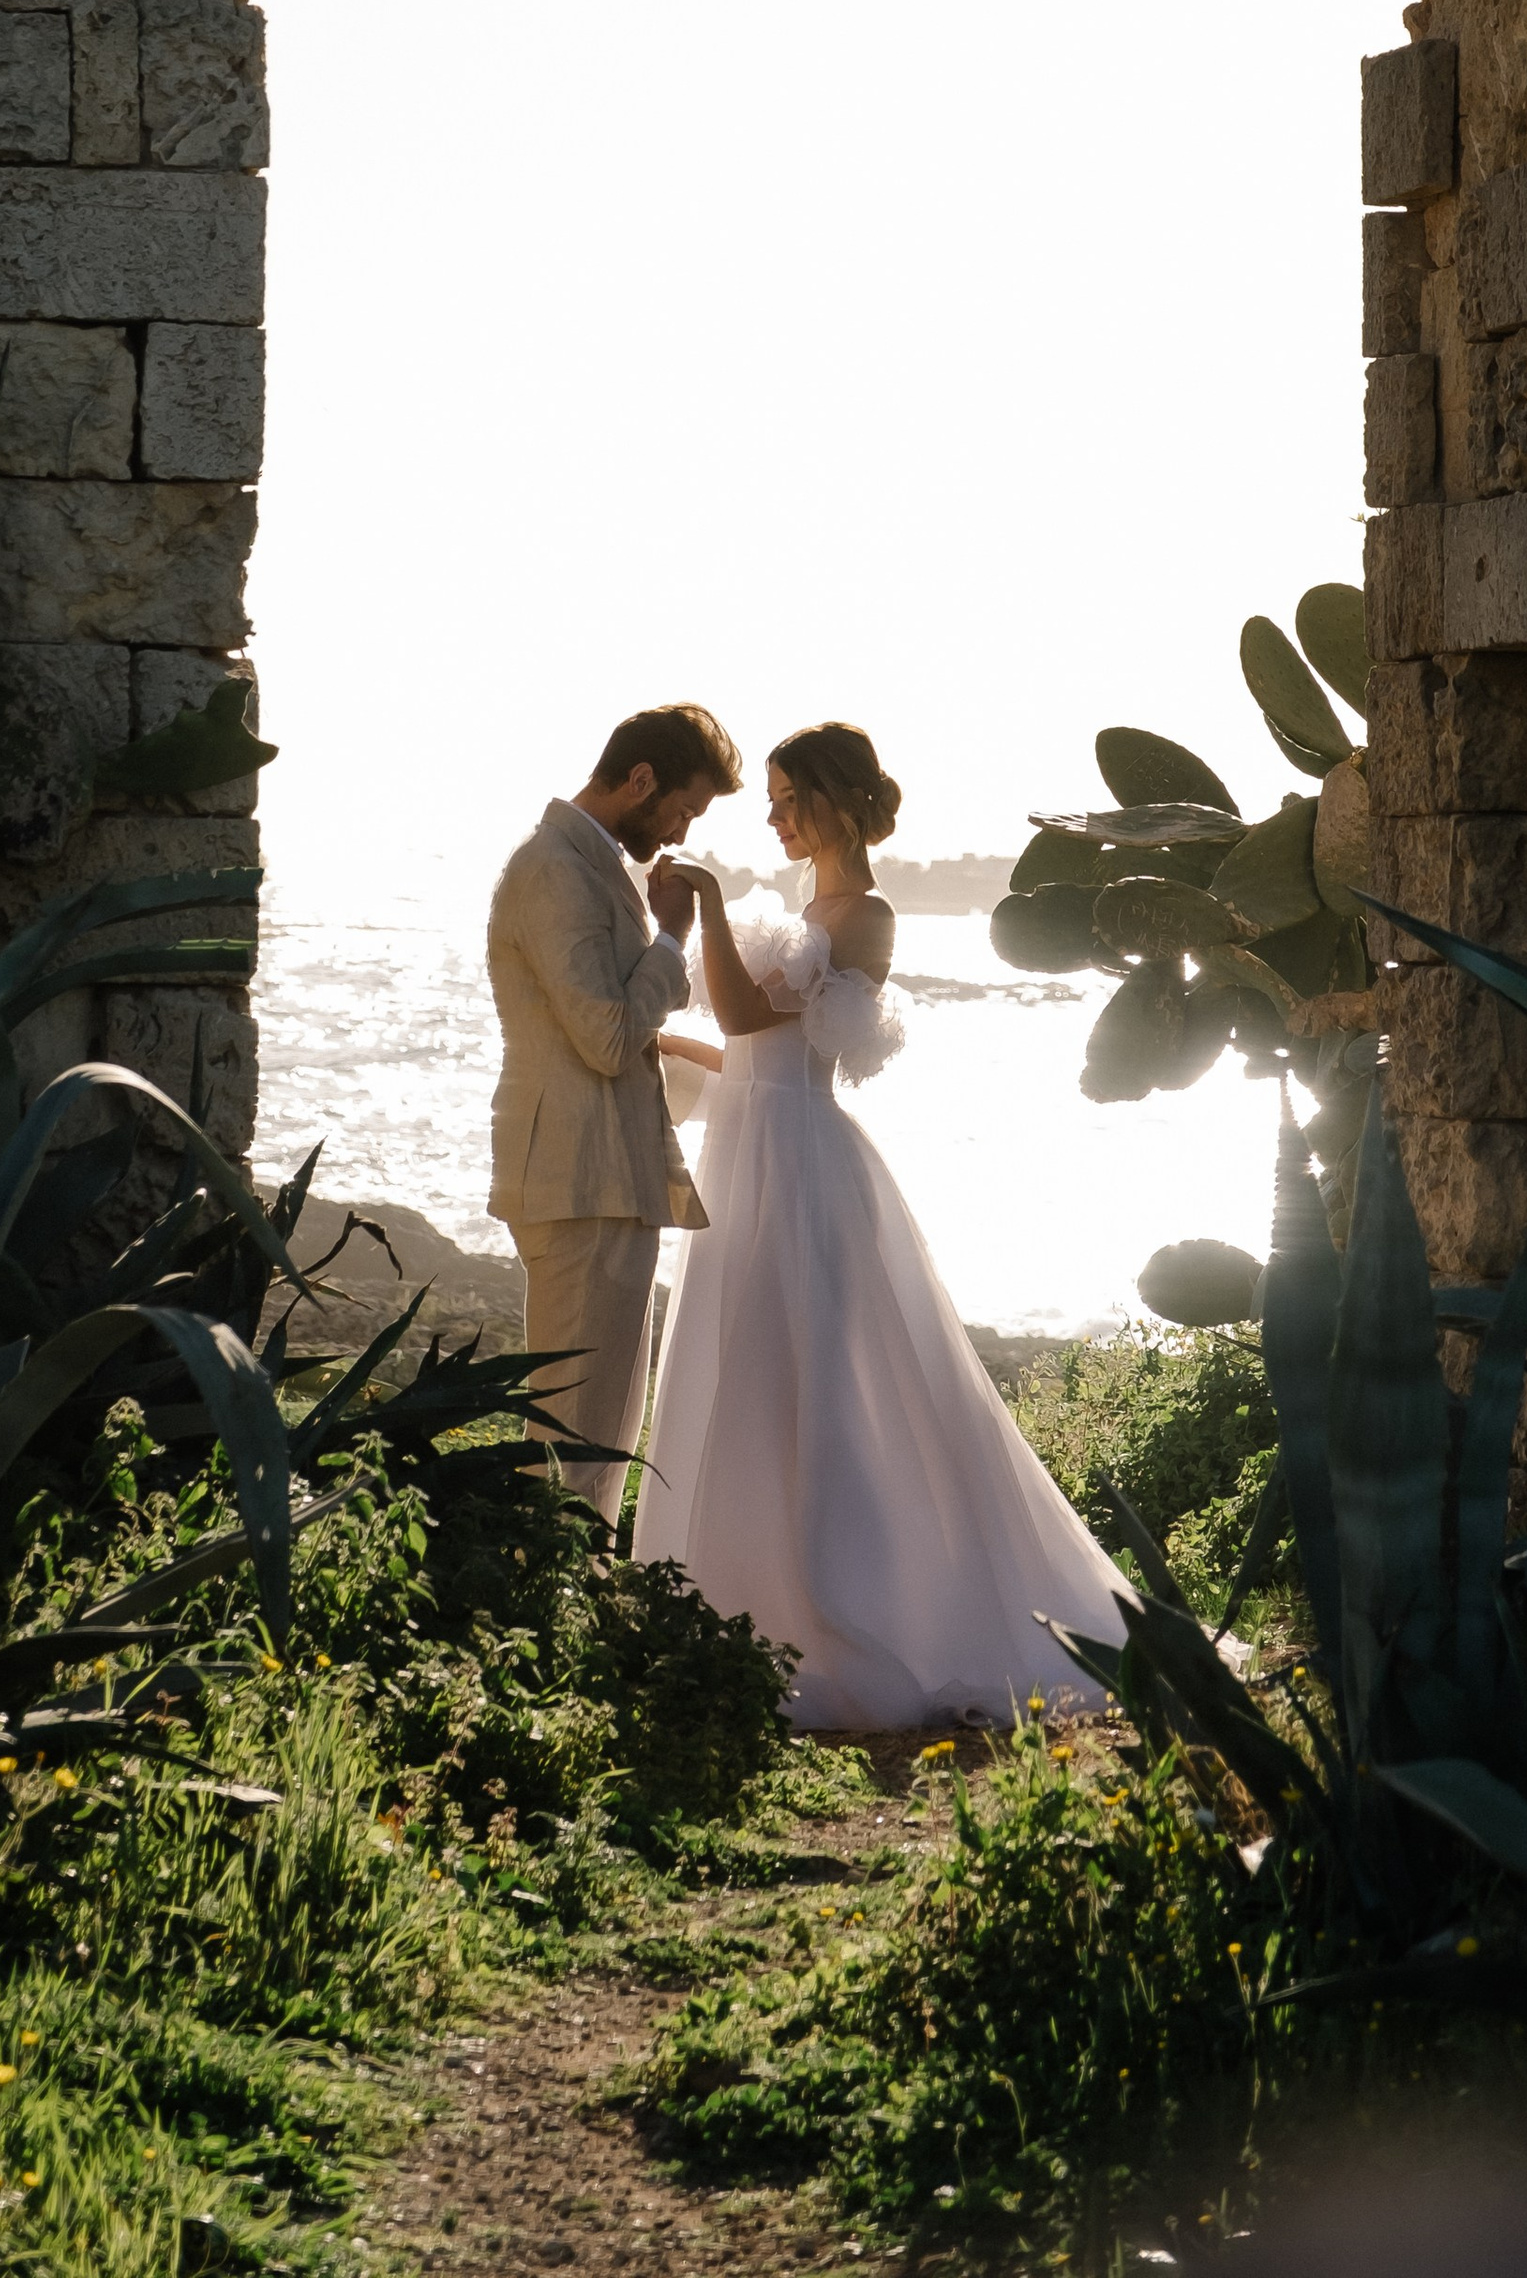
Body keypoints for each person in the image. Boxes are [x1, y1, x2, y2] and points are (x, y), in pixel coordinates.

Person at [634, 720, 1136, 1728]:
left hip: (803, 1167)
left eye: (788, 799)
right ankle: (744, 1602)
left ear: (836, 799)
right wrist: (664, 1046)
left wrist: (709, 912)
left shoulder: (867, 915)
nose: (774, 818)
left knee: (824, 1383)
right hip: (751, 1154)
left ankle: (856, 1609)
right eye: (770, 801)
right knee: (751, 1374)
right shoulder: (806, 910)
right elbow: (750, 1056)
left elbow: (746, 1019)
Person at [484, 703, 742, 1522]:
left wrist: (747, 1086)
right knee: (576, 1438)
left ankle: (571, 1576)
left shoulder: (590, 863)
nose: (680, 831)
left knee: (599, 1429)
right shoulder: (555, 869)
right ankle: (552, 1580)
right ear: (640, 780)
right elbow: (605, 1038)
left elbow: (621, 1037)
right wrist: (671, 939)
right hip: (579, 1181)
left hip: (603, 1179)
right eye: (682, 809)